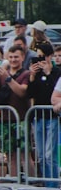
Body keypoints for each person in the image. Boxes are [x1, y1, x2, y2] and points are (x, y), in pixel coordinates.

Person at [0, 46, 30, 177]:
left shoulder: (26, 74)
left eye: (16, 57)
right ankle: (15, 181)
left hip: (21, 119)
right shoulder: (1, 74)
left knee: (24, 155)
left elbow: (22, 92)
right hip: (5, 120)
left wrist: (8, 78)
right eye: (10, 57)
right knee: (10, 155)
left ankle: (32, 183)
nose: (13, 60)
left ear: (22, 57)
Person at [27, 48, 61, 181]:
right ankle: (46, 183)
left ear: (50, 56)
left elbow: (53, 91)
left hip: (52, 117)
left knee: (49, 155)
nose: (41, 59)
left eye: (44, 56)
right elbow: (30, 93)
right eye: (39, 56)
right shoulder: (36, 73)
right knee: (41, 155)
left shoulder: (57, 72)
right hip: (38, 117)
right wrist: (32, 76)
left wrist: (48, 73)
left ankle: (53, 184)